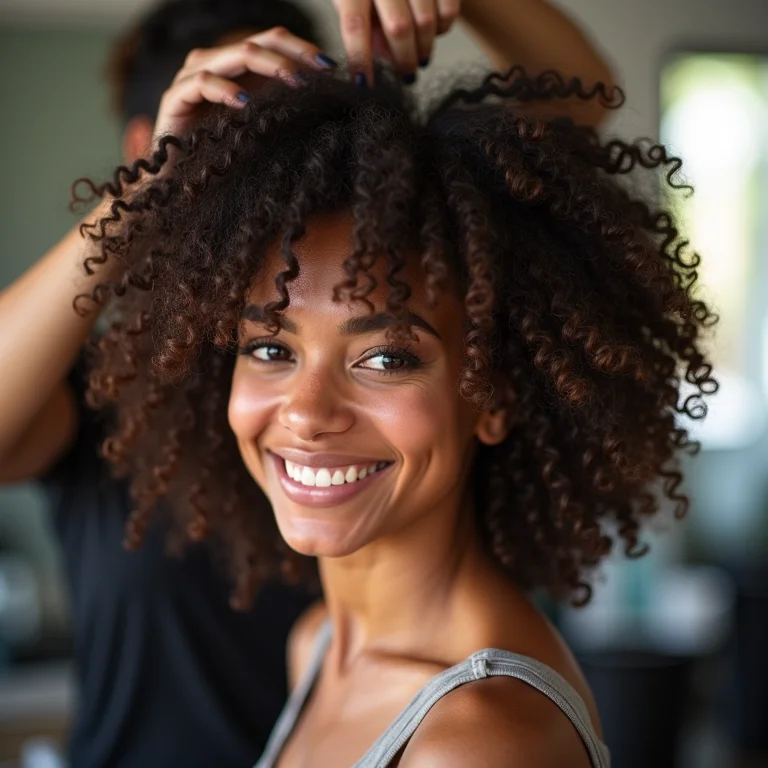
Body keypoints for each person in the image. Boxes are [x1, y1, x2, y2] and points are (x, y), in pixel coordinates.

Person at [72, 25, 716, 768]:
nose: (308, 413)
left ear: (495, 394)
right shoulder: (318, 643)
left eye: (386, 357)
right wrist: (159, 187)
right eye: (271, 349)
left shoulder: (478, 739)